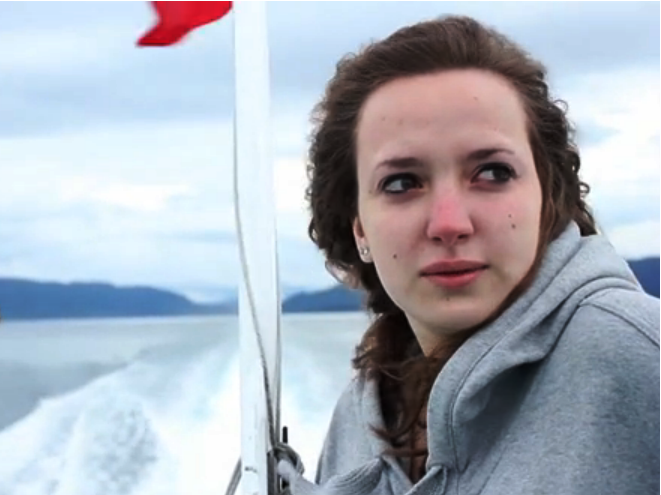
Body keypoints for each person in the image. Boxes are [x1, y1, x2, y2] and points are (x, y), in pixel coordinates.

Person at [275, 14, 660, 495]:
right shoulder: (359, 417)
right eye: (401, 183)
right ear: (359, 228)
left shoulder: (640, 355)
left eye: (493, 173)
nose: (449, 223)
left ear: (547, 195)